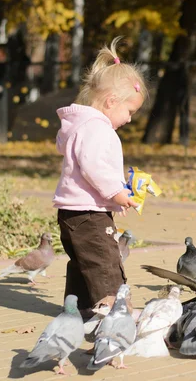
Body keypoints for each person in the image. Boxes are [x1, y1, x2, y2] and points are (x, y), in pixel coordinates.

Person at [53, 37, 148, 319]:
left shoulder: (80, 125)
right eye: (129, 112)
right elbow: (93, 166)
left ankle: (81, 308)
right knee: (105, 263)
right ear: (111, 101)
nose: (129, 120)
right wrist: (116, 193)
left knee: (84, 262)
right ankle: (114, 314)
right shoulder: (97, 128)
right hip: (89, 213)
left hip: (72, 212)